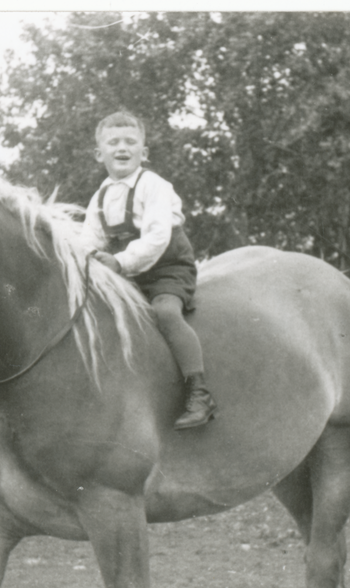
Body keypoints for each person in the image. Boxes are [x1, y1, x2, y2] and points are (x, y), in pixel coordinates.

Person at [80, 111, 217, 430]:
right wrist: (89, 258)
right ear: (100, 153)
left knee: (165, 313)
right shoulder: (99, 197)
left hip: (168, 269)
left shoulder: (154, 186)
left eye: (131, 141)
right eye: (113, 142)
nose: (122, 148)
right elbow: (88, 238)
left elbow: (158, 237)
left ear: (145, 151)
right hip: (129, 273)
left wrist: (119, 262)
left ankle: (199, 392)